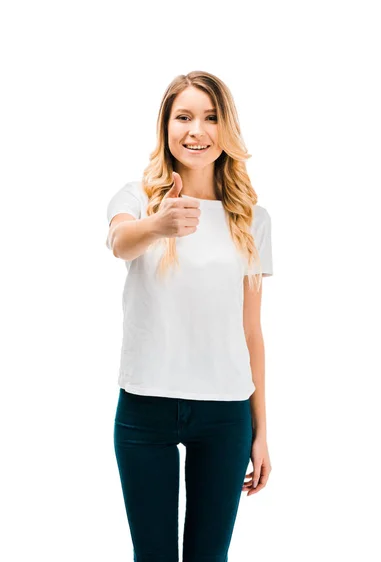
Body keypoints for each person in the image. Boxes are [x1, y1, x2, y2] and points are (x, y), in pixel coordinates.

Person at [106, 70, 273, 562]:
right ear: (166, 126)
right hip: (144, 410)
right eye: (183, 117)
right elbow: (119, 244)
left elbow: (252, 331)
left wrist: (262, 430)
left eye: (210, 117)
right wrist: (159, 223)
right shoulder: (136, 198)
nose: (195, 130)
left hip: (225, 414)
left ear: (227, 129)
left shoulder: (252, 219)